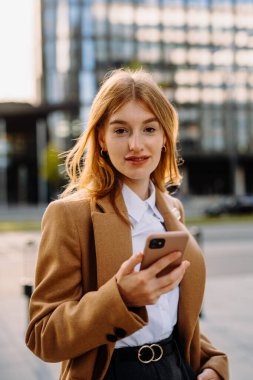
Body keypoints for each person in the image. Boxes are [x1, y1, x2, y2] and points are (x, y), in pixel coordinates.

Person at [26, 69, 229, 380]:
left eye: (149, 129)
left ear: (165, 138)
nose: (136, 144)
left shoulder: (172, 210)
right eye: (121, 131)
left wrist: (212, 364)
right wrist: (121, 298)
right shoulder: (69, 216)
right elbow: (43, 335)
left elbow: (173, 318)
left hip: (176, 368)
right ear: (102, 140)